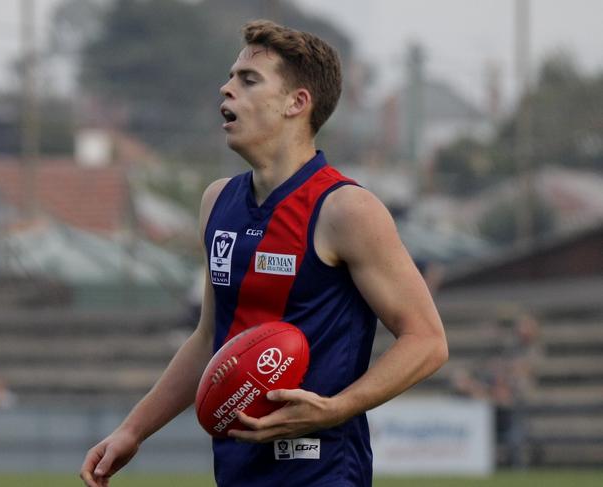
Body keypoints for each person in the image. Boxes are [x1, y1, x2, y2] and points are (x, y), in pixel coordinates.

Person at [80, 20, 448, 487]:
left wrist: (335, 409)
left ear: (297, 103)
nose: (226, 88)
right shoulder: (217, 202)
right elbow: (209, 337)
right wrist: (132, 431)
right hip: (236, 471)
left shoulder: (346, 209)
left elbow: (428, 340)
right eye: (231, 76)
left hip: (323, 472)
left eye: (248, 80)